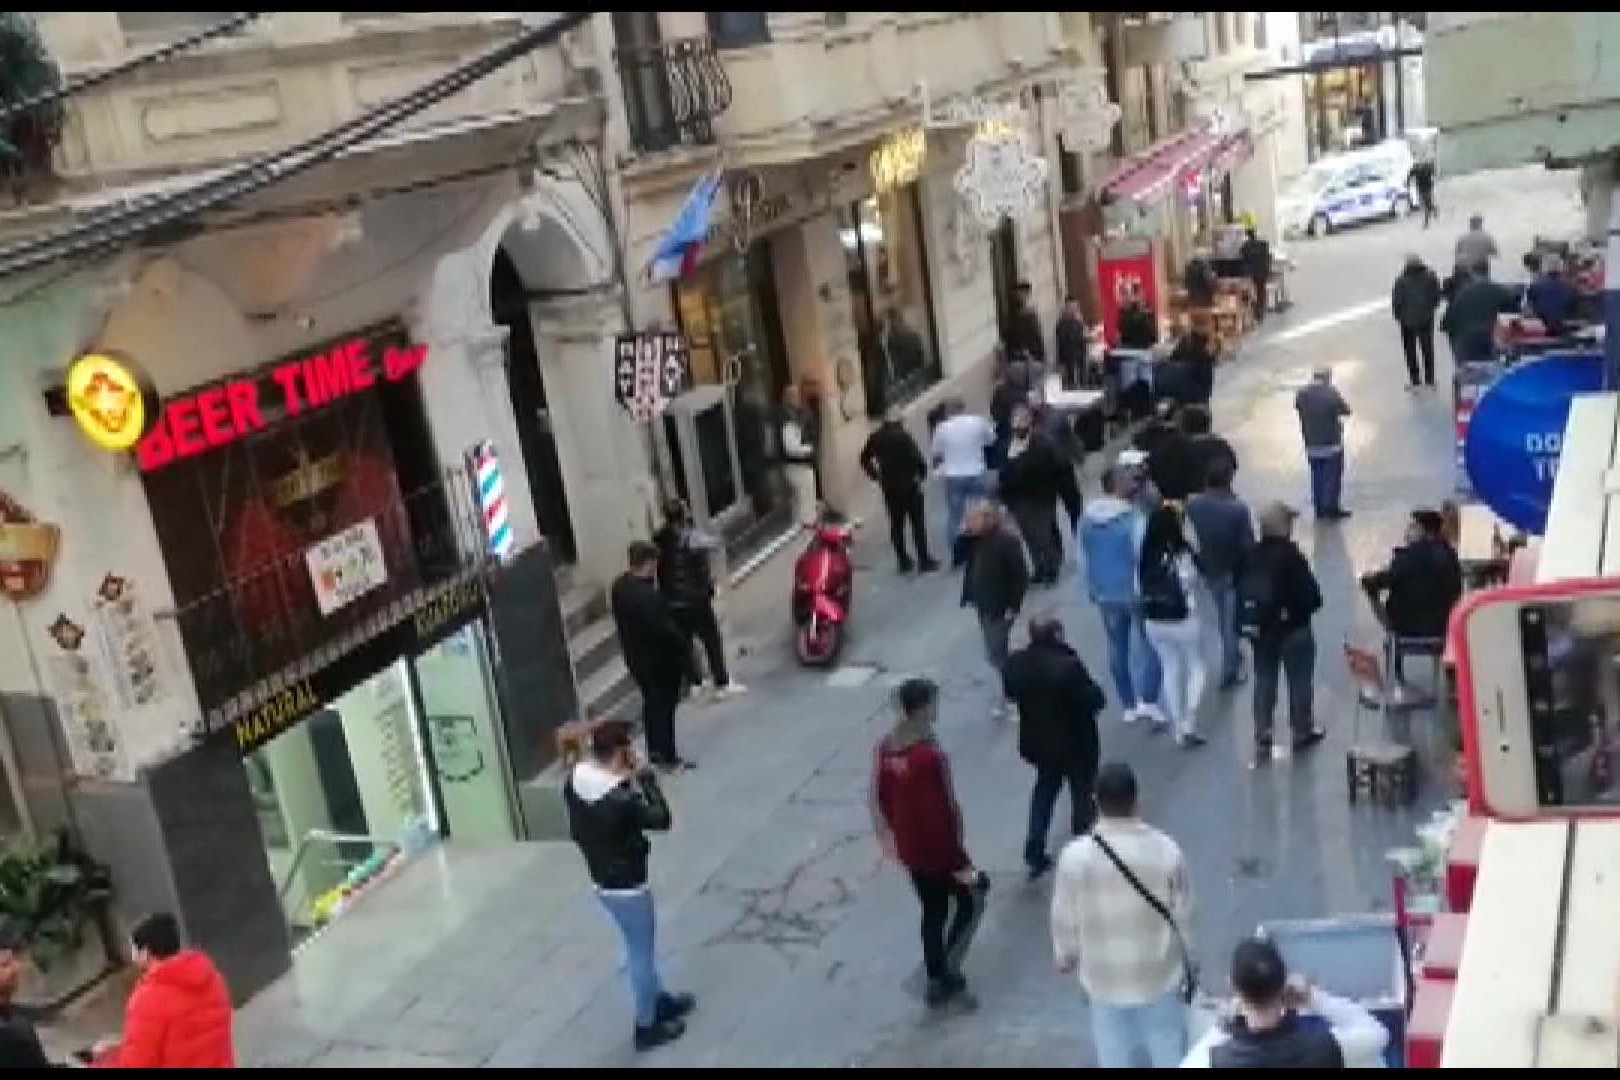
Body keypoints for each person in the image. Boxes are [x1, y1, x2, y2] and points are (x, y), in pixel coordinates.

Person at [1052, 762, 1194, 1069]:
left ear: (1095, 802)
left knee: (1114, 1055)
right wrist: (1189, 964)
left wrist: (1065, 954)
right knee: (1168, 1051)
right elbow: (1183, 916)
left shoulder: (1075, 858)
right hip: (1158, 976)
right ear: (1136, 799)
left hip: (1104, 979)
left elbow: (1065, 917)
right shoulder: (1167, 851)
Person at [565, 719, 696, 1051]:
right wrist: (646, 779)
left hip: (603, 880)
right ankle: (646, 1025)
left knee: (637, 947)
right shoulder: (620, 801)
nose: (635, 753)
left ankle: (656, 999)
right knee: (641, 954)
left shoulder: (576, 782)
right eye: (630, 749)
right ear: (620, 752)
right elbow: (661, 818)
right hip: (629, 886)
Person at [871, 677, 986, 1008]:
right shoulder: (929, 757)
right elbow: (942, 815)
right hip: (939, 853)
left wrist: (897, 834)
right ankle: (946, 972)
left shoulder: (887, 748)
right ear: (920, 708)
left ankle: (936, 973)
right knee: (972, 900)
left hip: (910, 849)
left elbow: (882, 797)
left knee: (932, 911)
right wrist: (961, 863)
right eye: (932, 703)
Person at [1182, 936, 1389, 1068]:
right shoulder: (1324, 1046)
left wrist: (1226, 1020)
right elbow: (1378, 1033)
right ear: (1285, 983)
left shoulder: (1215, 1061)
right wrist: (1313, 998)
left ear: (1233, 987)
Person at [1004, 615, 1106, 879]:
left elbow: (1011, 694)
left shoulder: (1016, 665)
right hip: (1074, 741)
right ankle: (1083, 843)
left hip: (1039, 742)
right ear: (1057, 635)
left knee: (1044, 792)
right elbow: (1093, 700)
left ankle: (1034, 847)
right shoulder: (1067, 667)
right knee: (1082, 790)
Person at [1243, 502, 1326, 764]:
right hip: (1294, 631)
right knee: (1300, 681)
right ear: (1284, 526)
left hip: (1262, 633)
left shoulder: (1250, 555)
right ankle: (1301, 731)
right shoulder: (1292, 557)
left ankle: (1263, 731)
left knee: (1264, 680)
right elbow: (1312, 597)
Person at [1080, 466, 1163, 726]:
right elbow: (1142, 556)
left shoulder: (1087, 519)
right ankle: (1148, 699)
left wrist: (1091, 588)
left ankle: (1127, 703)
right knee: (1151, 645)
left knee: (1117, 647)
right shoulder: (1134, 519)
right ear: (1117, 486)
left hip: (1105, 593)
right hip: (1134, 591)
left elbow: (1082, 558)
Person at [108, 913, 234, 1068]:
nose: (131, 956)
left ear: (146, 952)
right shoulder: (213, 979)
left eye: (133, 949)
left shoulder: (147, 1000)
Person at [612, 541, 694, 770]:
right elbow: (665, 630)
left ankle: (655, 751)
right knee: (665, 707)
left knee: (651, 704)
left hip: (636, 659)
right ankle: (668, 755)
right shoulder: (649, 596)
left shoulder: (620, 587)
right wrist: (685, 650)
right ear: (647, 563)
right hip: (659, 662)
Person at [653, 499, 744, 700]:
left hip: (673, 602)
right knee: (711, 641)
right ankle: (722, 683)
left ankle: (696, 682)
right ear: (683, 514)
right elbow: (715, 543)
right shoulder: (690, 536)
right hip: (695, 600)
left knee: (685, 644)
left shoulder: (659, 539)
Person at [1361, 508, 1464, 671]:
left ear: (1423, 530)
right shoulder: (1451, 556)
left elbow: (1384, 580)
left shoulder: (1408, 557)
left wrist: (1369, 581)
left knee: (1370, 587)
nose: (1409, 530)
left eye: (1413, 526)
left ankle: (1392, 645)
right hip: (1442, 626)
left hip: (1406, 627)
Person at [1139, 504, 1207, 748]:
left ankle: (1177, 725)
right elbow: (1192, 579)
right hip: (1183, 616)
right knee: (1196, 668)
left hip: (1154, 619)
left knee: (1170, 668)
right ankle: (1189, 721)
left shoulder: (1146, 555)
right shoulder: (1180, 553)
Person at [1186, 458, 1254, 690]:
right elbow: (1247, 545)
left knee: (1221, 613)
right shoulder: (1237, 509)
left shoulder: (1193, 504)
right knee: (1231, 620)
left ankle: (1233, 658)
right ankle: (1230, 666)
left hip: (1209, 568)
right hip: (1233, 571)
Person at [959, 501, 1029, 716]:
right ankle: (1010, 694)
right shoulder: (975, 541)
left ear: (988, 519)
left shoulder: (1006, 542)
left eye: (974, 518)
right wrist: (964, 535)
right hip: (983, 604)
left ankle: (1014, 696)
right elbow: (958, 556)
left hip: (999, 607)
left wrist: (1013, 605)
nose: (970, 522)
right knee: (995, 653)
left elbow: (1020, 576)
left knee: (997, 654)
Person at [860, 406, 937, 574]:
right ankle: (923, 560)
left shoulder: (876, 437)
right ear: (898, 420)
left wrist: (876, 476)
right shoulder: (903, 436)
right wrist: (921, 475)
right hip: (909, 485)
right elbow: (917, 458)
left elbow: (864, 458)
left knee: (896, 524)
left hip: (889, 486)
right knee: (917, 524)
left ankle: (903, 560)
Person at [999, 403, 1066, 585]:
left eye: (1022, 421)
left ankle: (1051, 568)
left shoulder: (1041, 443)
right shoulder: (1008, 446)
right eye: (1015, 422)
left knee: (1043, 535)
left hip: (1040, 496)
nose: (1018, 426)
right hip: (1018, 498)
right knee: (1029, 535)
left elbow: (1054, 465)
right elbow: (1003, 472)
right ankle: (1039, 567)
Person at [930, 399, 994, 564]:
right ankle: (983, 547)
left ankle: (957, 554)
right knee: (981, 510)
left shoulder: (941, 428)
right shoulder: (977, 422)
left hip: (953, 475)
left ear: (947, 411)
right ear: (962, 408)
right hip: (976, 471)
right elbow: (990, 439)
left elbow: (936, 452)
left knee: (954, 516)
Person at [1294, 367, 1352, 520]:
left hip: (1311, 443)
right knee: (1332, 477)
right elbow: (1346, 410)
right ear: (1327, 377)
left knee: (1317, 476)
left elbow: (1297, 407)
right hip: (1331, 443)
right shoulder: (1331, 393)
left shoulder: (1302, 394)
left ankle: (1319, 508)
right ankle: (1332, 508)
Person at [1441, 261, 1512, 368]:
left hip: (1468, 343)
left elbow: (1448, 321)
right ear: (1488, 271)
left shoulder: (1463, 294)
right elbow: (1514, 317)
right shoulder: (1502, 291)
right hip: (1494, 342)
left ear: (1472, 273)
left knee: (1469, 377)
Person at [0, 923, 50, 1069]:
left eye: (13, 961)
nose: (15, 968)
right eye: (5, 964)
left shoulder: (15, 1021)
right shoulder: (14, 1034)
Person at [1391, 253, 1442, 389]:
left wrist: (1399, 316)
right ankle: (1430, 379)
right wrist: (1430, 309)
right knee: (1427, 348)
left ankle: (1415, 379)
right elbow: (1437, 296)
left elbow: (1397, 301)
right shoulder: (1430, 276)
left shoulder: (1401, 281)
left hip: (1407, 321)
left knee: (1410, 351)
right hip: (1425, 318)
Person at [780, 384, 819, 525]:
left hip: (797, 466)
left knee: (800, 502)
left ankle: (801, 527)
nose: (798, 399)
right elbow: (791, 447)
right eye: (795, 396)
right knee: (805, 500)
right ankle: (808, 529)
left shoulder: (793, 415)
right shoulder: (787, 419)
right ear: (788, 399)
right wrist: (809, 449)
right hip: (797, 466)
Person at [1178, 404, 1236, 499]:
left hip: (1192, 498)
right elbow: (1234, 465)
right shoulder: (1221, 444)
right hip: (1223, 496)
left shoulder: (1184, 449)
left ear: (1185, 426)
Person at [1526, 257, 1579, 336]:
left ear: (1544, 269)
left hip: (1540, 329)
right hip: (1562, 330)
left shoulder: (1534, 286)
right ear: (1561, 270)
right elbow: (1574, 309)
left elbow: (1528, 308)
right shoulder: (1570, 288)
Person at [883, 307, 927, 386]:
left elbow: (919, 356)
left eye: (890, 322)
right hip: (907, 375)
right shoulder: (891, 340)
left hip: (911, 372)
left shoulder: (909, 335)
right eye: (888, 324)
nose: (890, 325)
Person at [1006, 280, 1046, 365]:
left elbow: (1036, 333)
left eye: (1025, 293)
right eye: (1020, 293)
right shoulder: (1014, 314)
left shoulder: (1030, 312)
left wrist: (1041, 352)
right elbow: (1013, 334)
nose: (1023, 296)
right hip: (1021, 354)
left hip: (1033, 352)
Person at [1239, 228, 1273, 322]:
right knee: (1261, 290)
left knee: (1252, 291)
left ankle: (1254, 310)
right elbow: (1268, 256)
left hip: (1252, 273)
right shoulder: (1263, 244)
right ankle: (1261, 310)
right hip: (1262, 271)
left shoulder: (1245, 246)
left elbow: (1242, 255)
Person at [1055, 295, 1090, 389]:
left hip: (1081, 359)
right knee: (1072, 385)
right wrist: (1083, 336)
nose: (1074, 311)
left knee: (1083, 382)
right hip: (1069, 361)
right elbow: (1067, 341)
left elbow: (1085, 335)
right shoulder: (1062, 324)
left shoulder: (1079, 322)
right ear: (1066, 308)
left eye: (1076, 308)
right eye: (1071, 308)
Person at [1118, 285, 1160, 350]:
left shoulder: (1148, 309)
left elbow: (1152, 331)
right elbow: (1123, 331)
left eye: (1141, 294)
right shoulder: (1125, 312)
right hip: (1131, 347)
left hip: (1146, 346)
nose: (1141, 296)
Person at [1408, 158, 1437, 228]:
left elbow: (1433, 174)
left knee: (1428, 205)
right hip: (1423, 189)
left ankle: (1434, 210)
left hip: (1426, 188)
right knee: (1425, 206)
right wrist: (1408, 183)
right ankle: (1426, 222)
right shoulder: (1417, 169)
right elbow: (1409, 176)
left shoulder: (1425, 168)